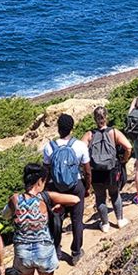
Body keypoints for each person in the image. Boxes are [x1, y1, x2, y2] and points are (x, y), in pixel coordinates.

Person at [2, 164, 80, 275]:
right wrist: (57, 206)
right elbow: (76, 199)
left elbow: (5, 215)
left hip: (22, 251)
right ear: (39, 181)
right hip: (44, 249)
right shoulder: (46, 197)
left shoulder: (15, 198)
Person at [42, 114, 91, 266]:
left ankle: (56, 250)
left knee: (56, 220)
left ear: (58, 128)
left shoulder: (49, 147)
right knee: (77, 220)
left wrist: (45, 192)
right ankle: (76, 253)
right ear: (72, 128)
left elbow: (45, 171)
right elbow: (87, 170)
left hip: (56, 188)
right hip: (76, 186)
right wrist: (87, 187)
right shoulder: (80, 146)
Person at [81, 106, 132, 231]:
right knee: (115, 194)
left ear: (95, 119)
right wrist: (124, 159)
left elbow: (79, 151)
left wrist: (84, 167)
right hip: (112, 169)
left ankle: (105, 224)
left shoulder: (89, 135)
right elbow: (128, 147)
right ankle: (120, 220)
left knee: (100, 197)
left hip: (96, 171)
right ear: (106, 117)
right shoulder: (113, 132)